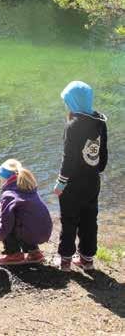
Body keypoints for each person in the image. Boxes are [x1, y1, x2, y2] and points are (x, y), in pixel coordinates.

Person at [54, 81, 108, 272]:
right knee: (89, 219)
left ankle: (66, 261)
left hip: (73, 184)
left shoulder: (73, 125)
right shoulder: (100, 121)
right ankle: (87, 259)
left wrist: (61, 183)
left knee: (69, 220)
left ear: (73, 102)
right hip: (93, 181)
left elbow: (68, 158)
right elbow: (102, 152)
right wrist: (97, 170)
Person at [0, 159, 52, 265]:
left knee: (1, 215)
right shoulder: (29, 187)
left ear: (4, 179)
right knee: (25, 218)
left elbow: (6, 223)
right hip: (44, 232)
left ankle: (13, 254)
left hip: (30, 234)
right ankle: (34, 252)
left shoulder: (8, 194)